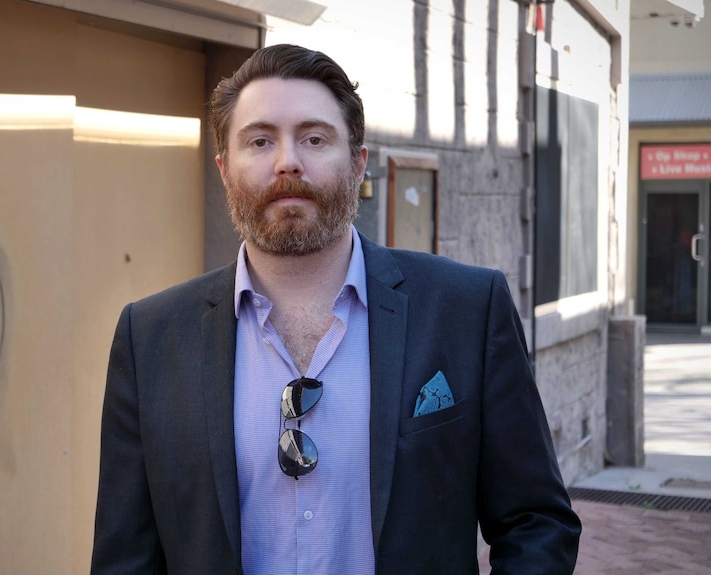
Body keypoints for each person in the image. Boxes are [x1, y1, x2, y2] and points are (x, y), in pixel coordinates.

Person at [90, 43, 581, 574]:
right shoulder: (152, 339)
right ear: (224, 169)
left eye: (314, 138)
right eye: (260, 140)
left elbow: (537, 523)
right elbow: (126, 557)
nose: (288, 162)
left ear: (358, 161)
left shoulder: (465, 309)